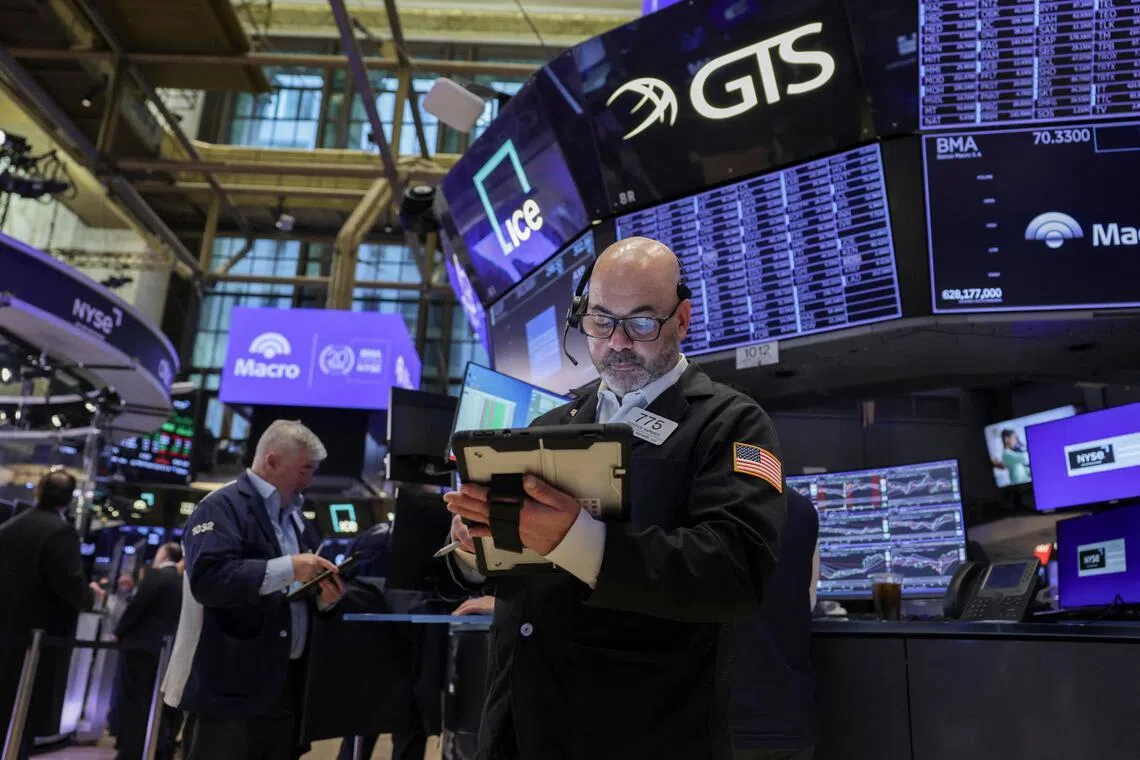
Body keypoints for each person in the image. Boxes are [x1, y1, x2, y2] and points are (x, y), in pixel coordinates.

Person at [444, 237, 787, 760]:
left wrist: (578, 540)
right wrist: (475, 546)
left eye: (642, 323)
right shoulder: (551, 423)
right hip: (520, 722)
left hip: (640, 731)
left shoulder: (729, 422)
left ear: (683, 319)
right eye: (601, 321)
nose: (617, 342)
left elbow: (735, 571)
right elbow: (515, 574)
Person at [163, 420, 346, 760]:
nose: (310, 480)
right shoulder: (221, 505)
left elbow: (299, 593)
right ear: (272, 461)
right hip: (227, 692)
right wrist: (290, 567)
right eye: (305, 469)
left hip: (285, 691)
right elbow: (210, 579)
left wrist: (324, 600)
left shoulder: (298, 519)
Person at [0, 470, 106, 760]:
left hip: (6, 638)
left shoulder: (8, 527)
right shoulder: (60, 532)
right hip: (36, 644)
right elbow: (70, 585)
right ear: (70, 499)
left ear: (39, 493)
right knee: (22, 720)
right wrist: (91, 595)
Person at [730, 487, 821, 760]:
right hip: (790, 719)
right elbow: (809, 602)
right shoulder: (803, 509)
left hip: (720, 721)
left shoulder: (691, 502)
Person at [114, 542, 185, 760]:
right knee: (159, 705)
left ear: (164, 555)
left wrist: (118, 633)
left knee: (136, 703)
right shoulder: (181, 581)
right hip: (166, 651)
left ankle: (131, 752)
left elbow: (136, 608)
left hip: (140, 648)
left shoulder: (155, 576)